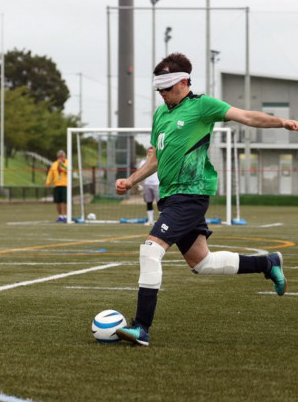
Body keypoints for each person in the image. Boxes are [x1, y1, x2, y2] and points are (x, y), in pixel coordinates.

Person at [114, 52, 293, 346]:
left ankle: (141, 328)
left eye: (167, 89)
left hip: (192, 193)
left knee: (150, 250)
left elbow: (246, 116)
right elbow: (155, 157)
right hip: (171, 198)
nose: (162, 95)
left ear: (184, 82)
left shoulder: (201, 106)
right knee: (202, 263)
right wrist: (132, 180)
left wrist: (281, 122)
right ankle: (267, 263)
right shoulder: (161, 114)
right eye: (159, 90)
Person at [45, 150, 68, 222]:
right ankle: (60, 216)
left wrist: (62, 165)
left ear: (64, 156)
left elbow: (68, 170)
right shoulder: (54, 164)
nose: (61, 158)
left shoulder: (67, 163)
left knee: (65, 201)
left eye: (62, 156)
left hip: (65, 185)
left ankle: (67, 216)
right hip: (57, 185)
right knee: (58, 201)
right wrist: (48, 182)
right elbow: (50, 174)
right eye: (59, 156)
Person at [138, 146, 159, 225]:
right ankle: (150, 220)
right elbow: (139, 173)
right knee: (148, 202)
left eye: (152, 152)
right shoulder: (143, 162)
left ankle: (161, 220)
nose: (150, 153)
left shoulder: (158, 160)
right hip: (147, 184)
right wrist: (139, 184)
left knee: (160, 203)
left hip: (156, 184)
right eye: (149, 151)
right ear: (147, 152)